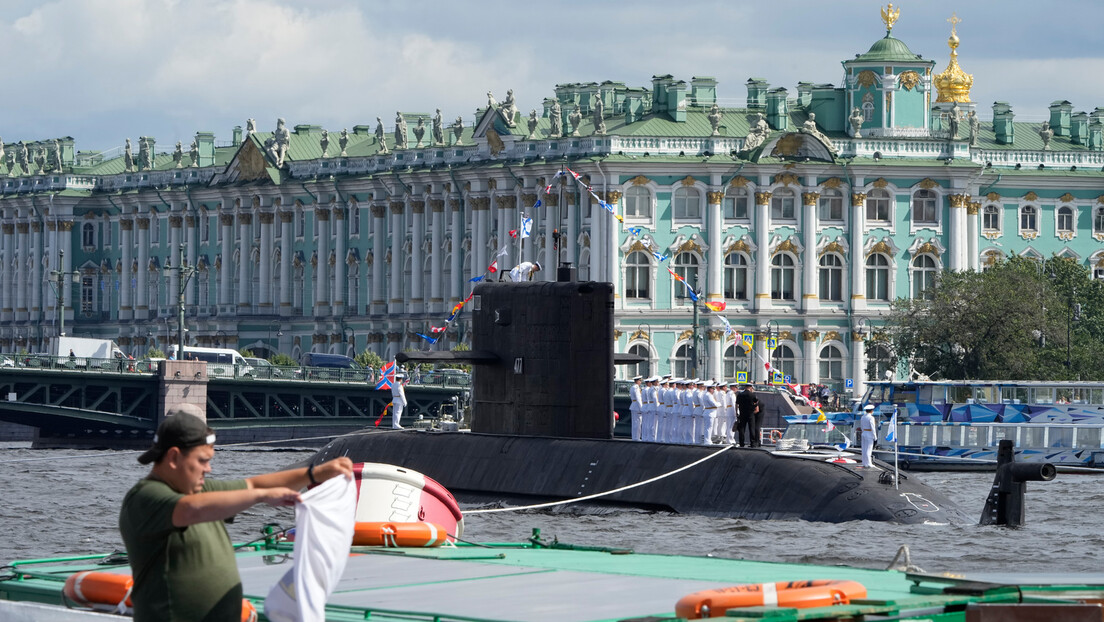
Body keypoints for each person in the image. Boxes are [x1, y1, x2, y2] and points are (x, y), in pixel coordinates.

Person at [118, 404, 353, 622]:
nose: (208, 469)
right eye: (202, 461)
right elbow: (190, 510)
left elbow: (252, 485)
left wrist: (314, 474)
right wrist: (261, 497)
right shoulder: (145, 498)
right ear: (173, 457)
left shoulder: (198, 489)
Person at [629, 375, 643, 441]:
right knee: (638, 423)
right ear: (637, 381)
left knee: (634, 423)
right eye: (640, 380)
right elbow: (638, 398)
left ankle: (634, 437)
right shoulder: (636, 388)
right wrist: (641, 408)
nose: (641, 382)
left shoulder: (632, 387)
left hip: (633, 405)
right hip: (637, 406)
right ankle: (637, 437)